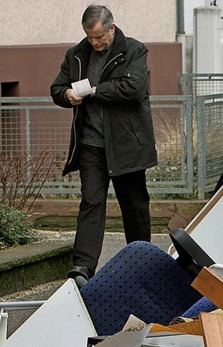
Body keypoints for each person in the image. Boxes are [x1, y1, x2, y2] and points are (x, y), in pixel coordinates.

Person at [51, 4, 157, 281]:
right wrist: (66, 96)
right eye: (89, 37)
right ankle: (82, 268)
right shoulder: (76, 55)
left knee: (134, 205)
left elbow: (134, 89)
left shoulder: (134, 50)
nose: (94, 42)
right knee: (91, 202)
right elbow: (57, 88)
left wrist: (95, 90)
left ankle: (142, 261)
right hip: (90, 144)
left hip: (126, 144)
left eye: (99, 36)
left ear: (111, 27)